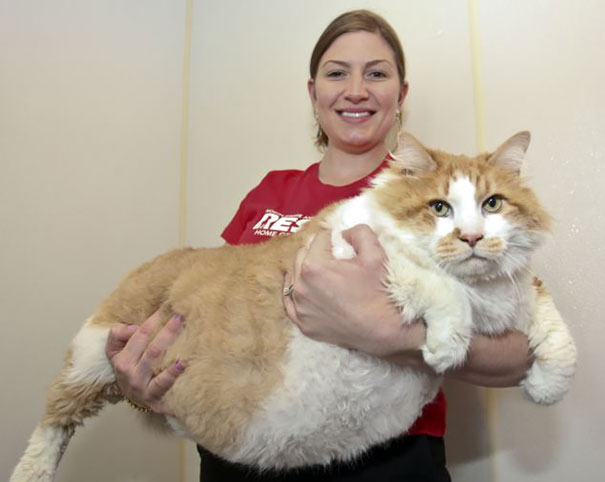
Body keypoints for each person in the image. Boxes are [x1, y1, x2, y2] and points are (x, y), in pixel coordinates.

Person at [106, 10, 533, 481]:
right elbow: (205, 314)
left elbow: (519, 354)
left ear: (401, 94)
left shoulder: (446, 198)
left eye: (376, 73)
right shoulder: (269, 192)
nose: (356, 90)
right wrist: (140, 380)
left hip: (382, 459)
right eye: (336, 73)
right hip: (239, 448)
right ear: (314, 93)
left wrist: (391, 335)